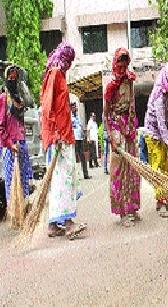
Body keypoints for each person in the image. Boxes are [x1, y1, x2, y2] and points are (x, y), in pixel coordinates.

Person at [41, 42, 87, 239]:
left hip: (62, 135)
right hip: (59, 137)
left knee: (59, 179)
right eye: (69, 60)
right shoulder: (55, 74)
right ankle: (68, 223)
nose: (69, 65)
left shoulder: (57, 74)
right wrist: (57, 134)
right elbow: (47, 107)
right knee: (64, 180)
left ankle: (53, 225)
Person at [104, 47, 141, 227]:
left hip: (129, 126)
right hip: (116, 126)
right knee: (120, 170)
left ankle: (132, 207)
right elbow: (105, 114)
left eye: (125, 61)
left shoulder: (130, 79)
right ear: (115, 62)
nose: (122, 65)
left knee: (132, 167)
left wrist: (133, 124)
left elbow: (132, 102)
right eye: (120, 61)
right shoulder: (110, 84)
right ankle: (122, 212)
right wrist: (112, 136)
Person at [144, 62, 168, 217]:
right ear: (164, 77)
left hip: (162, 134)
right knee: (158, 168)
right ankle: (160, 202)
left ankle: (165, 199)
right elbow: (160, 121)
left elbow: (167, 117)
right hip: (153, 134)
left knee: (165, 168)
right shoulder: (158, 94)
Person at [0, 65, 33, 212]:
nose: (13, 79)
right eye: (11, 77)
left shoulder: (20, 98)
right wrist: (9, 144)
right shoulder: (3, 99)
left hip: (21, 144)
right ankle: (14, 212)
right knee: (11, 181)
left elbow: (29, 102)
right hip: (9, 146)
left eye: (16, 76)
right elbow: (1, 126)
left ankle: (24, 209)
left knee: (24, 179)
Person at [71, 102, 91, 179]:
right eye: (73, 107)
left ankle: (86, 174)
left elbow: (80, 126)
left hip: (80, 138)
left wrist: (83, 133)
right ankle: (75, 176)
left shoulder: (77, 116)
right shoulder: (70, 116)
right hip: (74, 139)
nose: (75, 108)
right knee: (74, 157)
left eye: (75, 107)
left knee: (82, 156)